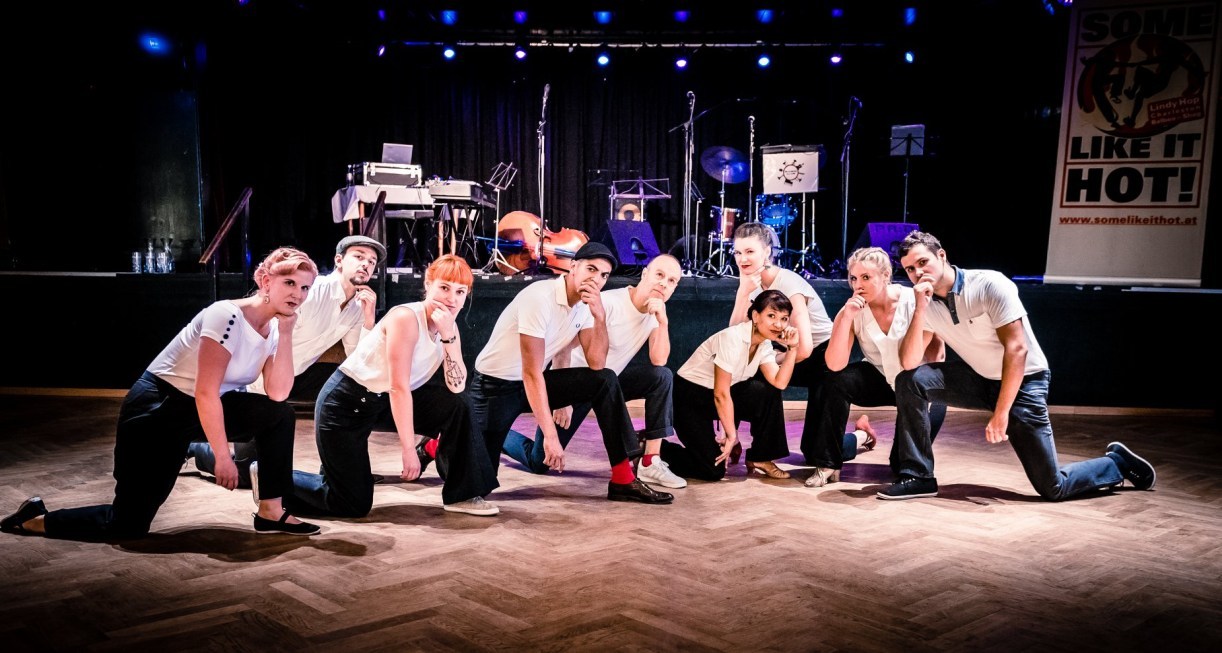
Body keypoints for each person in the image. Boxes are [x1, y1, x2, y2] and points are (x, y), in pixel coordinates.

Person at [1, 248, 323, 539]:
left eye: (305, 287)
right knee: (126, 525)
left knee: (279, 415)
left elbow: (278, 394)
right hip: (157, 409)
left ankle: (271, 511)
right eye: (290, 283)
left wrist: (286, 333)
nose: (298, 294)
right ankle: (34, 519)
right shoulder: (226, 316)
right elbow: (205, 391)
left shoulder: (274, 329)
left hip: (201, 407)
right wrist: (223, 458)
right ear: (265, 281)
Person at [881, 231, 1156, 500]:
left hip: (1025, 382)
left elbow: (1017, 349)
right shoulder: (924, 301)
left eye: (923, 262)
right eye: (910, 269)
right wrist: (919, 309)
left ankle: (1116, 463)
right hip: (980, 378)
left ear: (941, 256)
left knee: (1053, 487)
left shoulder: (988, 284)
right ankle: (919, 476)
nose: (918, 273)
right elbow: (909, 362)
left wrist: (1001, 413)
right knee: (910, 380)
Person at [284, 255, 500, 517]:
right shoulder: (405, 318)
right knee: (351, 503)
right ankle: (270, 476)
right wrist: (408, 450)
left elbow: (456, 387)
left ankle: (462, 495)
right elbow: (399, 387)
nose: (451, 299)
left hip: (380, 401)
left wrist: (448, 337)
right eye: (444, 288)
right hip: (346, 405)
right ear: (428, 285)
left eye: (460, 292)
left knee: (458, 405)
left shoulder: (448, 326)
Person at [468, 242, 673, 504]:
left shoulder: (586, 306)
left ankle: (623, 479)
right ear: (573, 267)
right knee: (479, 485)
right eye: (591, 269)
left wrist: (599, 317)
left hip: (532, 382)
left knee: (605, 380)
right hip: (495, 387)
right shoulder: (539, 297)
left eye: (604, 275)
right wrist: (551, 434)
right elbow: (531, 372)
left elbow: (597, 364)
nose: (596, 279)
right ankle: (445, 442)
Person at [186, 235, 386, 487]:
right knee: (246, 474)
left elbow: (357, 358)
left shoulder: (358, 306)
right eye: (358, 256)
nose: (366, 264)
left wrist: (369, 320)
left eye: (371, 261)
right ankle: (195, 448)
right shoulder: (311, 291)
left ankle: (343, 469)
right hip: (260, 378)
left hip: (297, 375)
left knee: (354, 391)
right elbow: (269, 331)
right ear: (339, 261)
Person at [807, 247, 949, 487]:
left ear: (885, 276)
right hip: (881, 377)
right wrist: (845, 318)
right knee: (835, 381)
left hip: (920, 387)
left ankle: (864, 436)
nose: (858, 285)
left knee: (900, 465)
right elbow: (834, 364)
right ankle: (833, 459)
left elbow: (910, 362)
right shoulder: (854, 308)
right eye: (853, 278)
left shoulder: (916, 301)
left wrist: (919, 310)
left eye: (866, 277)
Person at [660, 290, 800, 482]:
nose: (778, 324)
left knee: (767, 391)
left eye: (784, 318)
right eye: (771, 316)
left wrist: (792, 348)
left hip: (717, 396)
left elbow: (779, 382)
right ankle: (654, 448)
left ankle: (761, 457)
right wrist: (731, 435)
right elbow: (721, 393)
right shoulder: (732, 338)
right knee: (712, 470)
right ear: (755, 316)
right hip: (688, 398)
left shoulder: (764, 344)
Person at [727, 221, 835, 466]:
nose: (742, 259)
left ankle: (861, 436)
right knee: (735, 367)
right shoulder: (751, 285)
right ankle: (738, 442)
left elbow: (805, 348)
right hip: (788, 351)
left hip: (822, 357)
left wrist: (770, 361)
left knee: (816, 452)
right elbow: (733, 337)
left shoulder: (788, 284)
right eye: (738, 252)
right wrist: (742, 293)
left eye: (750, 251)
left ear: (767, 252)